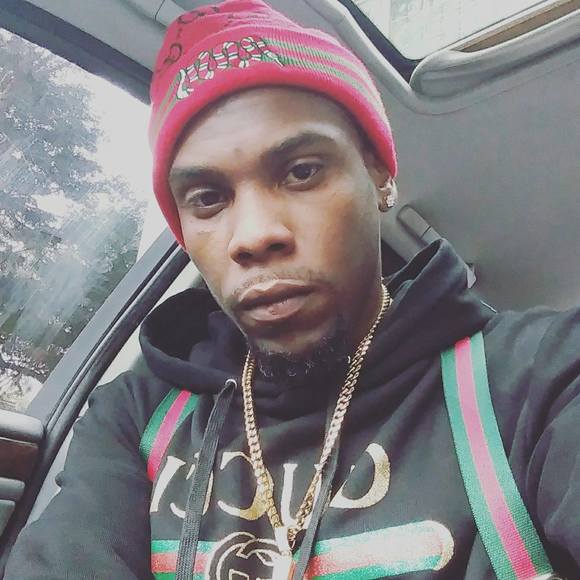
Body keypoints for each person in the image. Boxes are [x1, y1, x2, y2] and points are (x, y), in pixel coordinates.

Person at [6, 1, 580, 578]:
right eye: (208, 199)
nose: (254, 236)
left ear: (380, 174)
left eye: (302, 171)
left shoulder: (540, 378)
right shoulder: (138, 413)